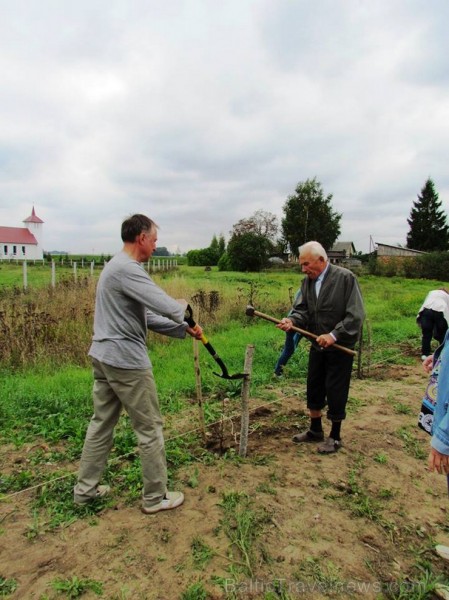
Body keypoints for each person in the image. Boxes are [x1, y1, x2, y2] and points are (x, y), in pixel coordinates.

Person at [73, 214, 203, 514]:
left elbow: (144, 316)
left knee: (101, 424)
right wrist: (184, 310)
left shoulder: (116, 267)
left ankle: (85, 491)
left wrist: (181, 329)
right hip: (126, 362)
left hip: (104, 356)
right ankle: (155, 497)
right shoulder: (128, 269)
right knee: (150, 428)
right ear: (141, 237)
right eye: (154, 240)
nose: (155, 247)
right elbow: (164, 304)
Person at [277, 241, 365, 454]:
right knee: (314, 385)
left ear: (322, 260)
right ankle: (315, 430)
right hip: (317, 345)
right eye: (302, 265)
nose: (303, 269)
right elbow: (302, 310)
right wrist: (292, 322)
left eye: (306, 264)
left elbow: (356, 315)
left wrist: (334, 335)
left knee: (336, 389)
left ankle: (334, 436)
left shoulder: (345, 279)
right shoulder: (307, 283)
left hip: (340, 347)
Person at [274, 288, 303, 377]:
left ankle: (277, 372)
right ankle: (277, 373)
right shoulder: (306, 289)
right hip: (296, 321)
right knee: (289, 349)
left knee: (289, 348)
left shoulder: (303, 288)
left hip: (295, 320)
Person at [417, 289, 449, 360]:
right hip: (441, 311)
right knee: (442, 334)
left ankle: (425, 355)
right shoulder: (447, 296)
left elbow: (425, 302)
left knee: (426, 334)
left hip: (426, 311)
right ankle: (442, 354)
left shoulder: (431, 292)